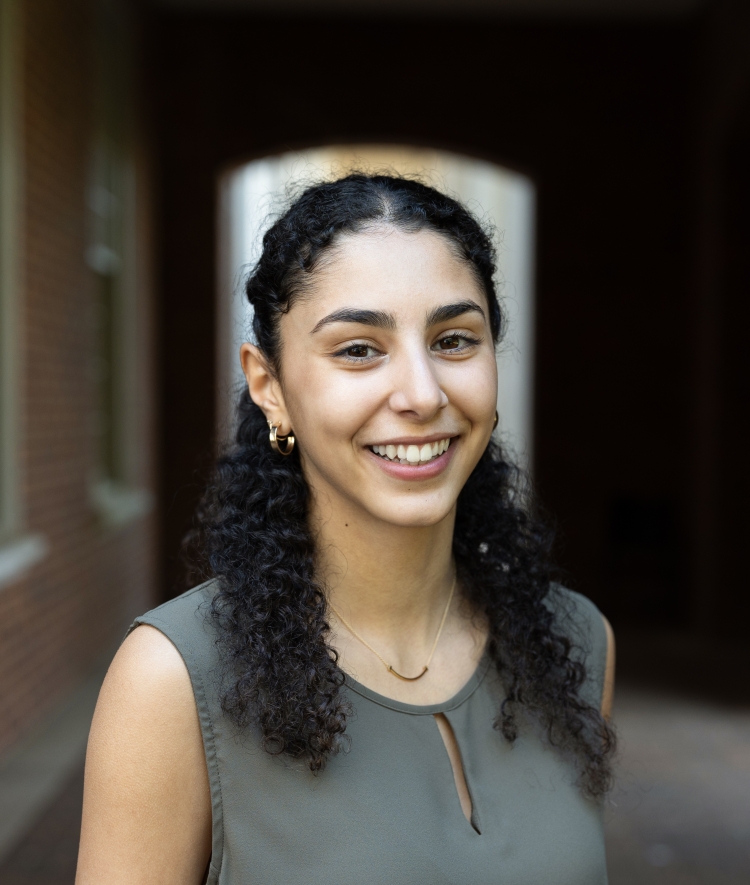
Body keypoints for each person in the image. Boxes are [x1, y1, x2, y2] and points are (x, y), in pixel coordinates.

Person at [75, 174, 616, 885]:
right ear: (269, 386)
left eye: (455, 339)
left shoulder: (576, 644)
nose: (423, 394)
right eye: (359, 348)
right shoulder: (173, 681)